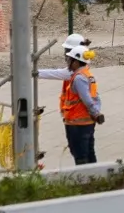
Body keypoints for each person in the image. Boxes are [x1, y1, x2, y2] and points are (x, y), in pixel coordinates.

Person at [39, 32, 104, 165]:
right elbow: (96, 98)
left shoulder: (77, 75)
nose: (66, 57)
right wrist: (96, 113)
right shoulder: (86, 73)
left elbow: (87, 99)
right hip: (85, 122)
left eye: (69, 54)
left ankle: (86, 181)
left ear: (76, 59)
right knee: (89, 154)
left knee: (81, 156)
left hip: (77, 123)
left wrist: (35, 72)